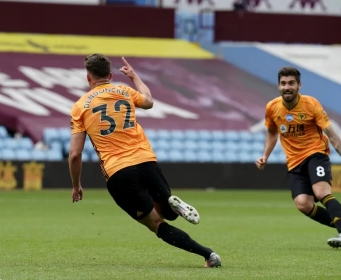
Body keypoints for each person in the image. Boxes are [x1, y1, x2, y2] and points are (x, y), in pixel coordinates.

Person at [68, 53, 222, 267]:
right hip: (146, 161)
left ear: (88, 78)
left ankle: (209, 255)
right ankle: (171, 206)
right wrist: (134, 77)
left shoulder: (80, 106)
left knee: (156, 224)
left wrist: (76, 185)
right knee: (166, 211)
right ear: (111, 75)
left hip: (118, 172)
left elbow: (75, 154)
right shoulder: (125, 91)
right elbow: (149, 101)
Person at [256, 66, 341, 248]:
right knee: (303, 204)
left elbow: (331, 134)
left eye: (291, 83)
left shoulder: (311, 104)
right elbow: (272, 133)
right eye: (284, 83)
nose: (287, 87)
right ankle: (339, 222)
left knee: (321, 192)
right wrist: (265, 156)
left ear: (299, 85)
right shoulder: (272, 107)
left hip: (315, 153)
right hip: (294, 162)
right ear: (279, 86)